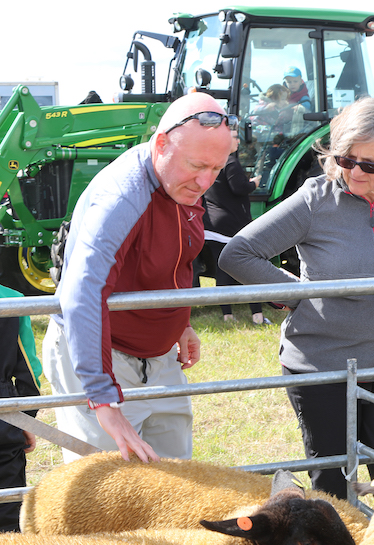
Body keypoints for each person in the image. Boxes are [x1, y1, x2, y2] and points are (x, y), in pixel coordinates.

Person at [219, 97, 374, 498]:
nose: (355, 172)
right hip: (321, 369)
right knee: (333, 489)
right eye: (345, 159)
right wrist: (296, 294)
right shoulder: (314, 198)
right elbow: (237, 253)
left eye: (370, 164)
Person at [45, 92, 235, 463]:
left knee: (175, 477)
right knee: (108, 485)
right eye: (197, 165)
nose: (204, 181)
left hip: (159, 359)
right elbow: (83, 292)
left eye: (216, 168)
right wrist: (102, 397)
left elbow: (174, 256)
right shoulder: (123, 197)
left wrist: (179, 321)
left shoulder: (180, 181)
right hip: (103, 356)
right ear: (161, 143)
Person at [199, 130, 271, 325]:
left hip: (213, 225)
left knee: (222, 269)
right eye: (235, 137)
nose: (238, 141)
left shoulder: (209, 162)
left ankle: (227, 316)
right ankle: (257, 316)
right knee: (248, 268)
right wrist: (253, 184)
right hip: (232, 225)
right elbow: (239, 188)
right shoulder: (231, 162)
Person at [0, 284, 41, 532]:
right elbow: (30, 372)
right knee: (7, 506)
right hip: (4, 413)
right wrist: (26, 420)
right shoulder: (11, 300)